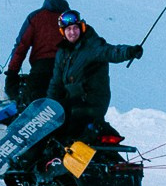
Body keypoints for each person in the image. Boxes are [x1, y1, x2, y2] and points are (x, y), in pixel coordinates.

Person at [47, 9, 142, 140]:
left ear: (81, 27)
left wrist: (129, 51)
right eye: (68, 29)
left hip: (90, 101)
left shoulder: (92, 45)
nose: (72, 32)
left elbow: (110, 52)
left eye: (75, 28)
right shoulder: (63, 52)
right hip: (73, 100)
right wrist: (48, 107)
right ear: (63, 32)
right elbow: (56, 82)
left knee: (68, 132)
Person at [2, 0, 70, 103]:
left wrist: (12, 73)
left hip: (41, 72)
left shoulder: (36, 17)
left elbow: (21, 47)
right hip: (66, 72)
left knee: (32, 108)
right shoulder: (71, 19)